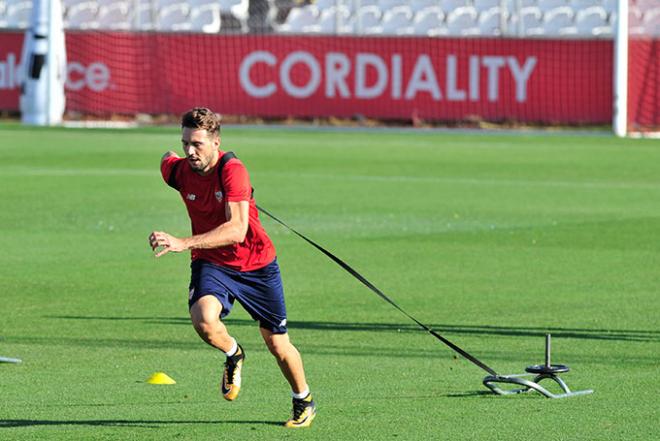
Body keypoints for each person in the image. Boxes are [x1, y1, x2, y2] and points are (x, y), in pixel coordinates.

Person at [148, 107, 316, 428]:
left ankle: (303, 399)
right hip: (212, 262)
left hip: (256, 263)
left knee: (278, 345)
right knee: (204, 321)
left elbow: (237, 229)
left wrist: (183, 241)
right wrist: (173, 154)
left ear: (216, 142)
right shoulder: (177, 170)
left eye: (197, 144)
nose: (190, 151)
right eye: (186, 143)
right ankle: (234, 353)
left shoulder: (233, 170)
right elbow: (166, 159)